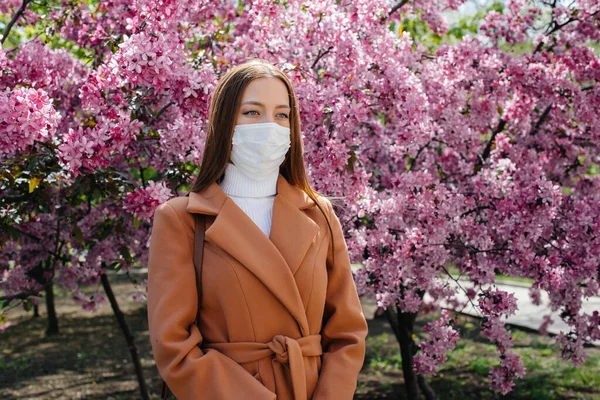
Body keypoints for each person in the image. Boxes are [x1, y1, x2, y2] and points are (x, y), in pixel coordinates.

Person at [146, 59, 368, 400]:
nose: (270, 126)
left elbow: (348, 332)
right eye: (252, 112)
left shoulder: (319, 214)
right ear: (225, 124)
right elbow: (173, 345)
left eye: (281, 115)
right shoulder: (182, 219)